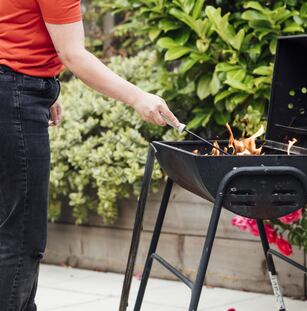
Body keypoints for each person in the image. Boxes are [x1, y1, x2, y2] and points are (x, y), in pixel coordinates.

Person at [0, 1, 179, 310]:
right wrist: (138, 97)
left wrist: (44, 85)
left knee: (10, 225)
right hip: (14, 96)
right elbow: (74, 55)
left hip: (12, 89)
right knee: (22, 236)